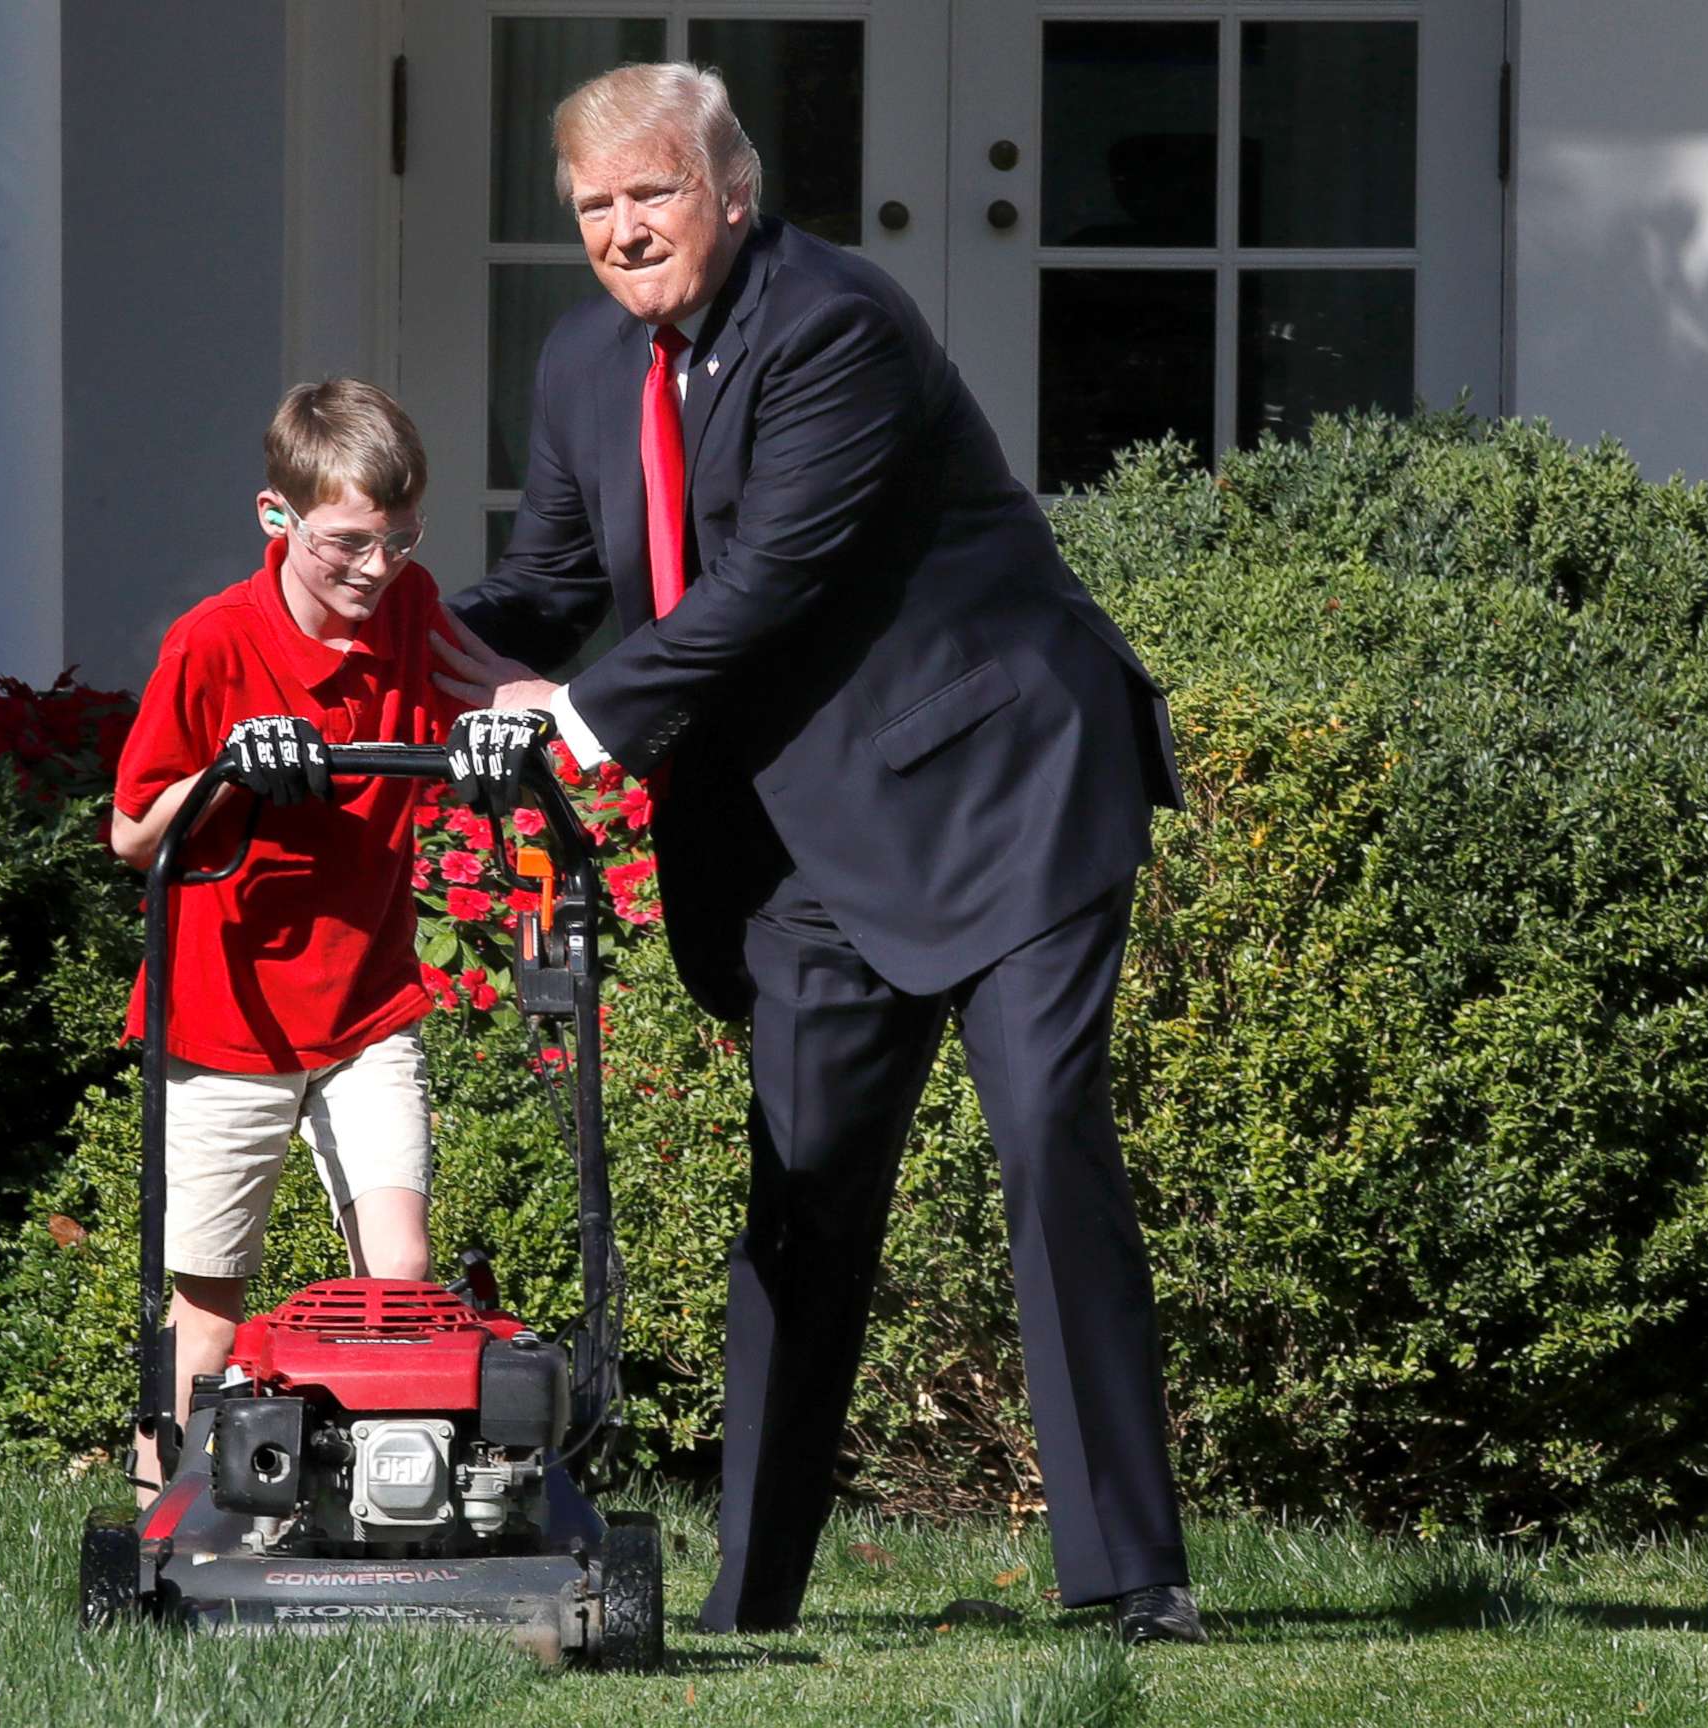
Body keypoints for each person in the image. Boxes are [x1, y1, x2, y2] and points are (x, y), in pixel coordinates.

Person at [432, 63, 1206, 1643]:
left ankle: (1136, 1582)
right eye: (593, 206)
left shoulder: (835, 323)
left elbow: (775, 575)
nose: (623, 229)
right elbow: (552, 579)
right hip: (801, 849)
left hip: (1003, 792)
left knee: (1050, 1144)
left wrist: (576, 724)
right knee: (802, 1196)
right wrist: (363, 638)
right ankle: (750, 1601)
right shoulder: (587, 361)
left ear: (732, 189)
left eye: (653, 192)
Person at [110, 378, 467, 1497]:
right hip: (230, 1016)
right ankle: (158, 1515)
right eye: (349, 544)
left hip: (364, 1001)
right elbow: (132, 833)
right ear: (277, 518)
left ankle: (385, 1506)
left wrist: (522, 724)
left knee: (398, 1277)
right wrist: (227, 772)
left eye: (400, 541)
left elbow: (481, 686)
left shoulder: (408, 610)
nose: (376, 570)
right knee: (209, 1304)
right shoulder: (212, 643)